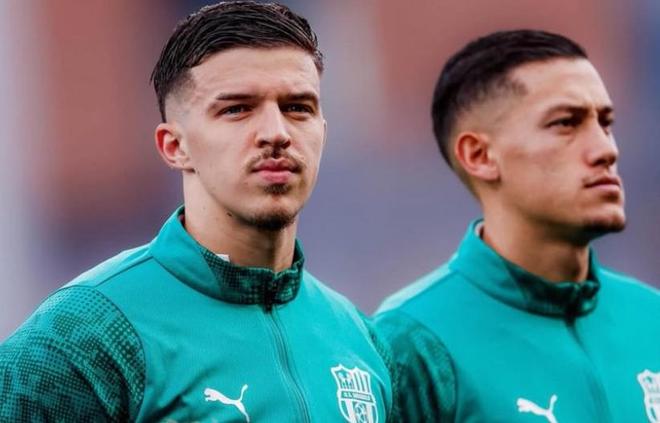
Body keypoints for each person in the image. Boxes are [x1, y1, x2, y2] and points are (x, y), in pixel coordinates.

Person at [0, 2, 392, 422]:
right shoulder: (87, 334)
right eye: (237, 109)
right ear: (174, 146)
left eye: (298, 108)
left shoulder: (360, 339)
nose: (276, 133)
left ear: (323, 133)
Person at [374, 29, 660, 422]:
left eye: (605, 123)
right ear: (479, 155)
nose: (606, 149)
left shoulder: (650, 317)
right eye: (566, 123)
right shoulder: (414, 342)